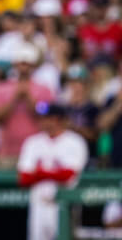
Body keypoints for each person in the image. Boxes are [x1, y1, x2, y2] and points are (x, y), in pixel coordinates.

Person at [17, 103, 88, 240]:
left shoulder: (75, 141)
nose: (44, 121)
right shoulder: (32, 142)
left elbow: (69, 175)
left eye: (49, 118)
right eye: (42, 118)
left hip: (64, 205)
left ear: (60, 119)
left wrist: (39, 173)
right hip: (39, 204)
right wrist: (53, 173)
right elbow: (24, 178)